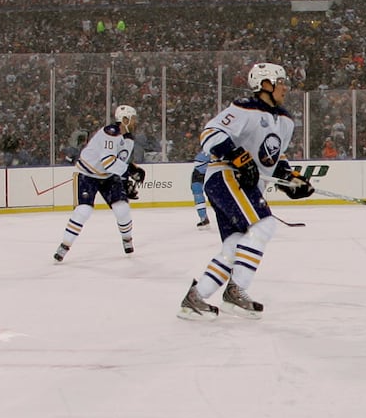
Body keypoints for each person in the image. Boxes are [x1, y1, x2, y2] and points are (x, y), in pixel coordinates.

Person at [177, 62, 313, 321]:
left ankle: (196, 297)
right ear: (265, 84)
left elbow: (274, 161)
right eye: (280, 81)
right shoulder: (243, 108)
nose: (285, 87)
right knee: (264, 226)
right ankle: (236, 291)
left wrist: (291, 179)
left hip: (246, 183)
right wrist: (236, 155)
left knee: (234, 245)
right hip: (226, 176)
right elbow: (210, 133)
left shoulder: (285, 121)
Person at [53, 105, 144, 262]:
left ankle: (127, 239)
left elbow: (119, 163)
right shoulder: (110, 133)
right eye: (133, 118)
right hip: (87, 174)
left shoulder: (128, 139)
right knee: (84, 210)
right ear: (125, 119)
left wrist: (125, 178)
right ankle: (65, 245)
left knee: (122, 208)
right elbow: (108, 161)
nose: (136, 122)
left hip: (108, 177)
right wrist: (130, 171)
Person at [190, 149, 211, 227]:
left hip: (210, 172)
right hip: (198, 173)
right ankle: (203, 218)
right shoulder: (207, 148)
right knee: (197, 193)